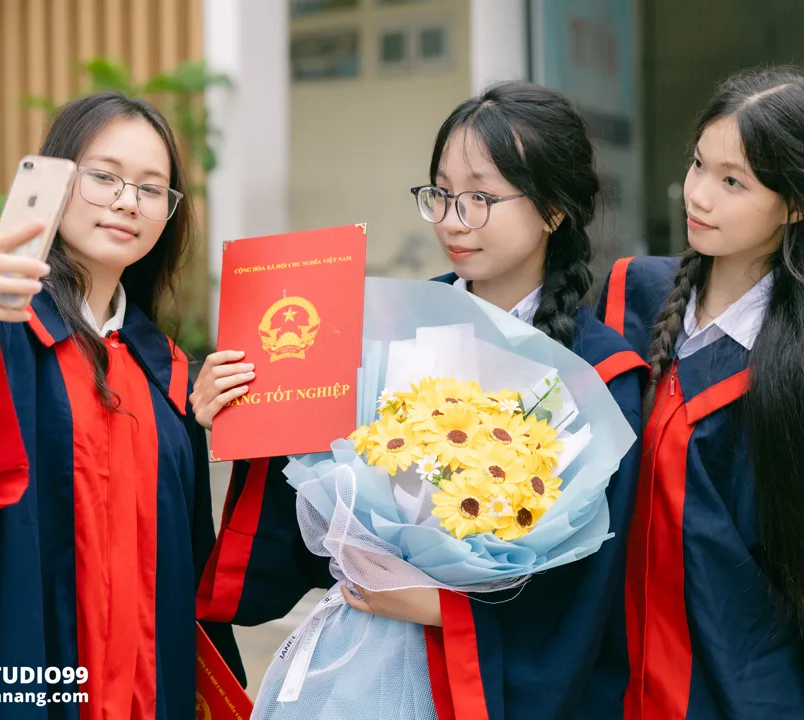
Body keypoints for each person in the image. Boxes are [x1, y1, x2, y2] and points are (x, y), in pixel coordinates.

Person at [193, 81, 648, 719]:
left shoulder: (600, 375)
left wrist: (446, 609)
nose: (451, 221)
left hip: (479, 686)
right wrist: (242, 413)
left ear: (553, 211)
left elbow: (587, 591)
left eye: (481, 198)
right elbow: (306, 506)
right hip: (360, 666)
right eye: (440, 193)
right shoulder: (383, 330)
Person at [0, 91, 242, 719]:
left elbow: (193, 562)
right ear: (57, 180)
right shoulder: (3, 331)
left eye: (151, 189)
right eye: (104, 177)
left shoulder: (165, 370)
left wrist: (232, 424)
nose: (127, 202)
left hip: (147, 689)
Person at [596, 66, 804, 719]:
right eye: (699, 164)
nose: (698, 195)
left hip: (727, 697)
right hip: (611, 683)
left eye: (733, 182)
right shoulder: (628, 298)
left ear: (796, 204)